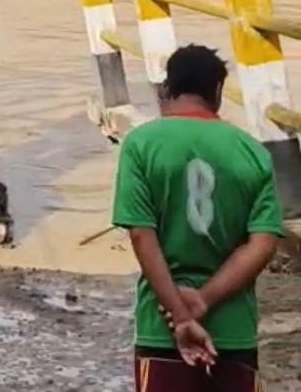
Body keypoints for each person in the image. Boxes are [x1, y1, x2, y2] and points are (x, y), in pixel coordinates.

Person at [112, 43, 284, 390]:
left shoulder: (140, 144)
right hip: (234, 332)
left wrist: (179, 313)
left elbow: (141, 235)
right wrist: (203, 300)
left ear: (166, 88)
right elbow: (263, 244)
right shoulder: (252, 152)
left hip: (161, 329)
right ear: (218, 91)